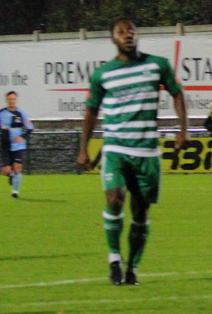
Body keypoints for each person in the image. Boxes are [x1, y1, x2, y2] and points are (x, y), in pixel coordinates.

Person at [77, 19, 187, 286]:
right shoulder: (103, 74)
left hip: (147, 151)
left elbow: (177, 93)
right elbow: (91, 111)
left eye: (131, 31)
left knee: (140, 213)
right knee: (114, 199)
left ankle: (132, 268)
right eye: (121, 32)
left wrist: (183, 129)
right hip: (116, 147)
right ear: (113, 38)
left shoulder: (157, 65)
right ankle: (114, 258)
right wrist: (83, 149)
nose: (128, 35)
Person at [0, 92, 33, 198]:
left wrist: (21, 137)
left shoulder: (21, 113)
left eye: (13, 99)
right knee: (6, 171)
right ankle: (11, 175)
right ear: (6, 100)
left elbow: (30, 128)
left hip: (18, 146)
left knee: (17, 168)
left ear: (16, 100)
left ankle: (15, 191)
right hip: (5, 145)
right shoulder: (2, 113)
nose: (11, 101)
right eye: (10, 99)